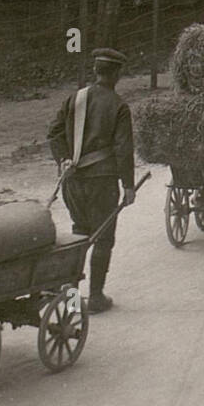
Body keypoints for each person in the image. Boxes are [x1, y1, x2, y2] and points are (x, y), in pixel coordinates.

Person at [48, 47, 137, 314]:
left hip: (72, 180)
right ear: (117, 74)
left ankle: (73, 299)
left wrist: (63, 158)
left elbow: (53, 133)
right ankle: (95, 297)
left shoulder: (75, 98)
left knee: (80, 233)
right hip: (102, 182)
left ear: (96, 71)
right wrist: (129, 186)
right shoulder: (118, 105)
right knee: (103, 238)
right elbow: (123, 149)